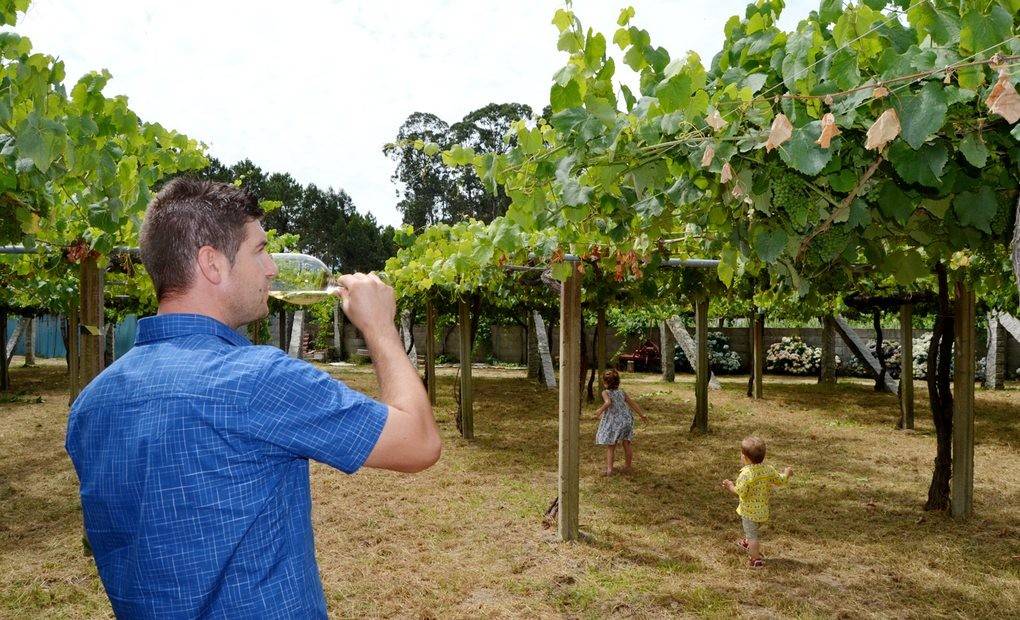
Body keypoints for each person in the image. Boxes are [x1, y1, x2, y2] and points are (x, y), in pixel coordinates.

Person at [65, 178, 441, 618]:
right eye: (259, 250)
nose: (272, 269)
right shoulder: (258, 379)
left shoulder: (91, 405)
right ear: (212, 264)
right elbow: (418, 442)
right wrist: (379, 326)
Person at [722, 436, 792, 568]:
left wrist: (730, 486)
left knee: (753, 536)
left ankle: (755, 559)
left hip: (749, 513)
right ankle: (747, 541)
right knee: (752, 531)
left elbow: (740, 491)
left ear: (745, 458)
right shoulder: (768, 470)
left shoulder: (746, 475)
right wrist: (786, 473)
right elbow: (780, 481)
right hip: (763, 512)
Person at [593, 369, 648, 476]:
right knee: (626, 443)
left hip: (615, 422)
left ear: (605, 383)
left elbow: (608, 402)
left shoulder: (605, 392)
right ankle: (627, 467)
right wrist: (642, 414)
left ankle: (609, 470)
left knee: (611, 446)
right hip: (627, 420)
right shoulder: (622, 392)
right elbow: (632, 403)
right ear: (618, 382)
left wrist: (600, 410)